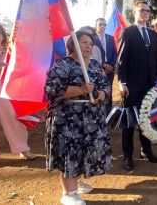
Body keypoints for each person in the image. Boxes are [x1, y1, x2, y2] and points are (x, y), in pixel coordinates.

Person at [44, 30, 112, 205]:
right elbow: (52, 91)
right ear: (73, 45)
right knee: (70, 153)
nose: (88, 46)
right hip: (68, 120)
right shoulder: (62, 65)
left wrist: (101, 95)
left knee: (86, 151)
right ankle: (69, 193)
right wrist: (81, 90)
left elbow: (106, 86)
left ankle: (77, 181)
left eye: (90, 43)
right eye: (83, 42)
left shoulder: (96, 66)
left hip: (91, 119)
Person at [118, 0, 157, 171]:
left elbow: (156, 59)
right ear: (134, 13)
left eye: (147, 11)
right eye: (141, 10)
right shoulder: (128, 32)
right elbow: (122, 60)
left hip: (149, 86)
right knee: (129, 123)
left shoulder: (153, 35)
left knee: (146, 121)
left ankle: (146, 150)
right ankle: (128, 156)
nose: (144, 13)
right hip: (132, 85)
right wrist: (122, 83)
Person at [0, 23, 35, 169]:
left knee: (13, 117)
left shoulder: (9, 51)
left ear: (2, 36)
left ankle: (23, 148)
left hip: (7, 88)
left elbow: (21, 67)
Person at [94, 18, 118, 114]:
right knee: (97, 92)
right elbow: (92, 55)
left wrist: (111, 66)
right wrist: (104, 65)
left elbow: (114, 54)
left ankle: (108, 115)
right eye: (100, 24)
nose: (102, 26)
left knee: (109, 92)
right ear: (96, 25)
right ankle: (98, 113)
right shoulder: (92, 38)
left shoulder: (110, 38)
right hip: (97, 70)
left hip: (110, 71)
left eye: (104, 25)